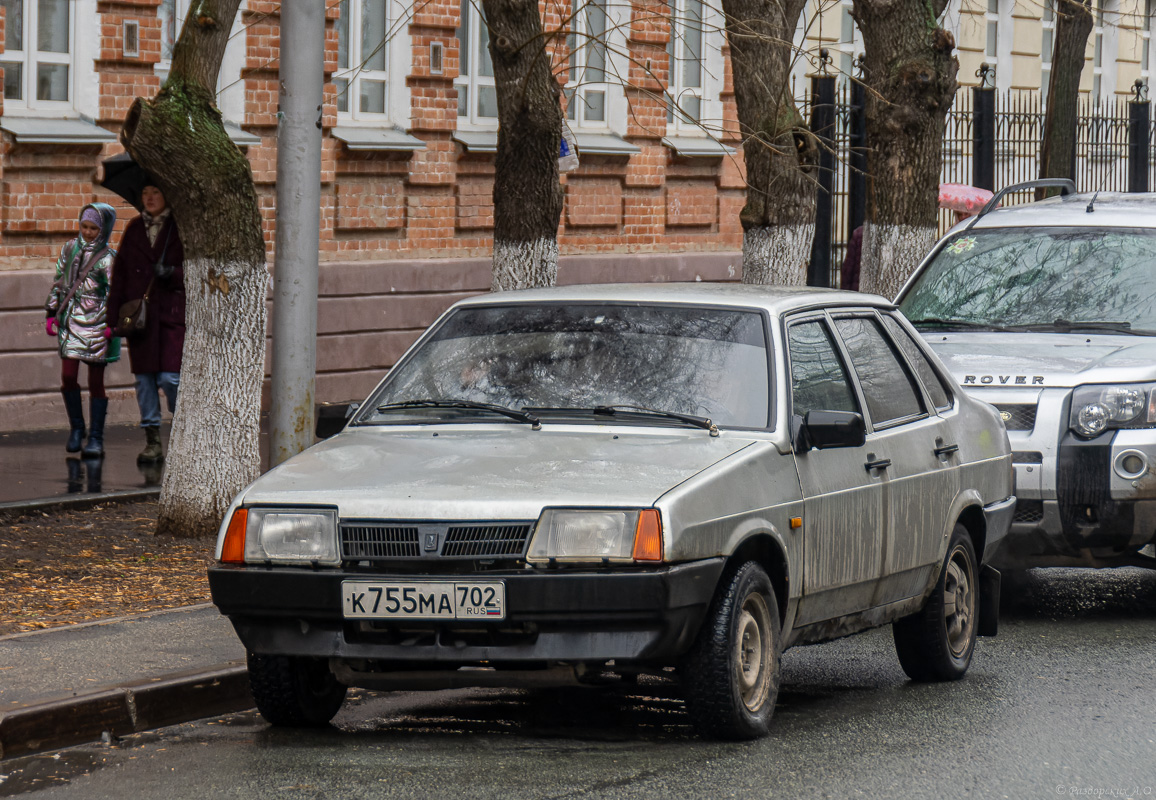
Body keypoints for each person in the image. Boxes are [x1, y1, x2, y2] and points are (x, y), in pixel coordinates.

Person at [108, 182, 185, 464]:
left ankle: (182, 430)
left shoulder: (180, 228)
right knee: (144, 381)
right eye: (145, 192)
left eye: (156, 192)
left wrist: (172, 273)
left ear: (167, 195)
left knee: (171, 377)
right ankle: (152, 441)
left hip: (171, 315)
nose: (150, 198)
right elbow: (120, 277)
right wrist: (112, 319)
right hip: (139, 319)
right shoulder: (134, 229)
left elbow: (197, 270)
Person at [45, 203, 120, 457]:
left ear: (104, 229)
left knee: (96, 382)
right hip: (71, 320)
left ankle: (96, 437)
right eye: (85, 227)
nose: (88, 232)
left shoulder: (109, 258)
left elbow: (115, 293)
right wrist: (51, 312)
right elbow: (60, 279)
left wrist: (112, 325)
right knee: (68, 376)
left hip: (98, 322)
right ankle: (77, 428)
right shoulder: (70, 248)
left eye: (94, 228)